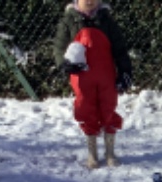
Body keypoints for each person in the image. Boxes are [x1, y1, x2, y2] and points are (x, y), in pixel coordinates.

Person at [53, 0, 132, 169]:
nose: (89, 1)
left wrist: (125, 70)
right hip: (82, 77)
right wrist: (63, 63)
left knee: (108, 107)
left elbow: (119, 49)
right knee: (86, 109)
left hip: (106, 75)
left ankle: (110, 151)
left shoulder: (106, 20)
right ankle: (92, 152)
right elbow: (59, 47)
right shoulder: (68, 21)